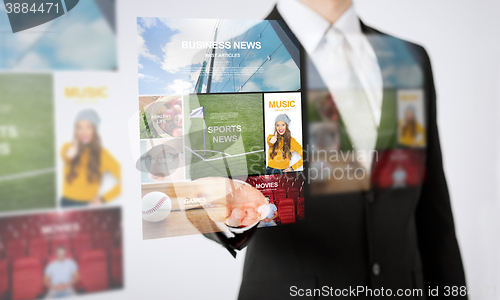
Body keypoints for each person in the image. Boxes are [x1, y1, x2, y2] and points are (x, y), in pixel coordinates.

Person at [195, 0, 467, 299]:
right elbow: (208, 194)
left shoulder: (409, 57)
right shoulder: (232, 60)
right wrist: (219, 210)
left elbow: (433, 211)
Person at [60, 109, 121, 208]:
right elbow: (67, 155)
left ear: (94, 129)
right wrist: (73, 151)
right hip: (65, 202)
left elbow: (125, 178)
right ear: (75, 130)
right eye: (79, 127)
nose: (83, 132)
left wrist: (103, 198)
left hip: (87, 205)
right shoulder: (67, 147)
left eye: (88, 127)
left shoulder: (102, 154)